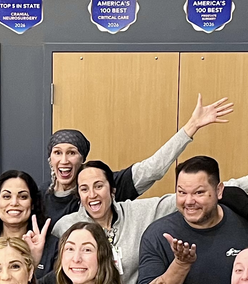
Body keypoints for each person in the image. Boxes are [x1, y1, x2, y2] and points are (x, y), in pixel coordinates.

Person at [54, 157, 248, 284]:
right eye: (84, 189)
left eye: (99, 186)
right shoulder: (65, 227)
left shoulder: (140, 213)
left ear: (112, 190)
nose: (92, 194)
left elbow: (212, 194)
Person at [40, 94, 235, 222]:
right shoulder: (38, 196)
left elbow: (155, 169)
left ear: (82, 159)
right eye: (58, 152)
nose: (64, 160)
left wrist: (192, 127)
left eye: (72, 153)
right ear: (50, 159)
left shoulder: (108, 184)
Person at [136, 156, 248, 284]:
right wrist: (181, 264)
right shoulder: (158, 235)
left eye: (199, 193)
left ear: (219, 191)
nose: (189, 201)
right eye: (181, 192)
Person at [0, 169, 57, 276]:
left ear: (33, 203)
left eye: (23, 197)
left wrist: (32, 264)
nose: (14, 203)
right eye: (6, 196)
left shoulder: (52, 246)